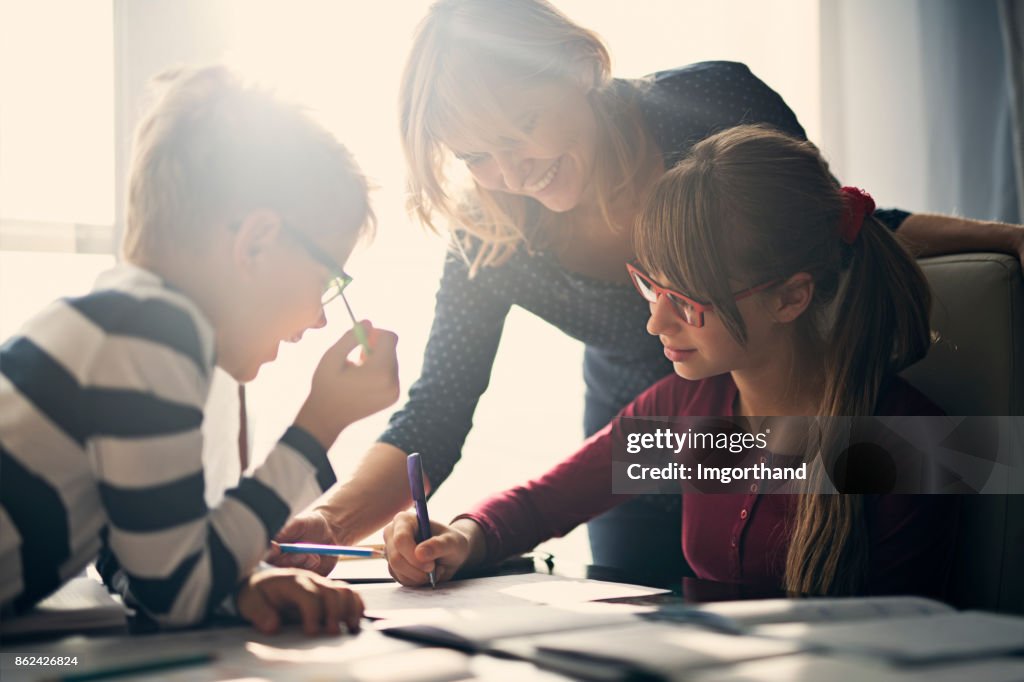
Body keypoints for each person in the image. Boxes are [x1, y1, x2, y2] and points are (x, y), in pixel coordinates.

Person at [275, 0, 1020, 577]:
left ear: (577, 67)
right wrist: (357, 527)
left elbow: (835, 222)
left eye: (524, 127)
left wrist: (1011, 241)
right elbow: (458, 423)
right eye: (479, 156)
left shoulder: (709, 110)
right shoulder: (667, 412)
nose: (514, 171)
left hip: (764, 421)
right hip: (675, 429)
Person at [382, 124, 958, 597]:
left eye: (686, 300)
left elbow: (903, 649)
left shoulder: (910, 442)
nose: (656, 323)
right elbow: (540, 504)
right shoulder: (690, 412)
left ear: (790, 297)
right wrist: (459, 537)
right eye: (652, 288)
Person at [0, 66, 400, 634]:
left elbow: (138, 560)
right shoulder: (149, 337)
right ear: (256, 241)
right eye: (324, 279)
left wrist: (236, 586)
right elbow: (174, 594)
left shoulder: (121, 322)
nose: (318, 318)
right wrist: (317, 428)